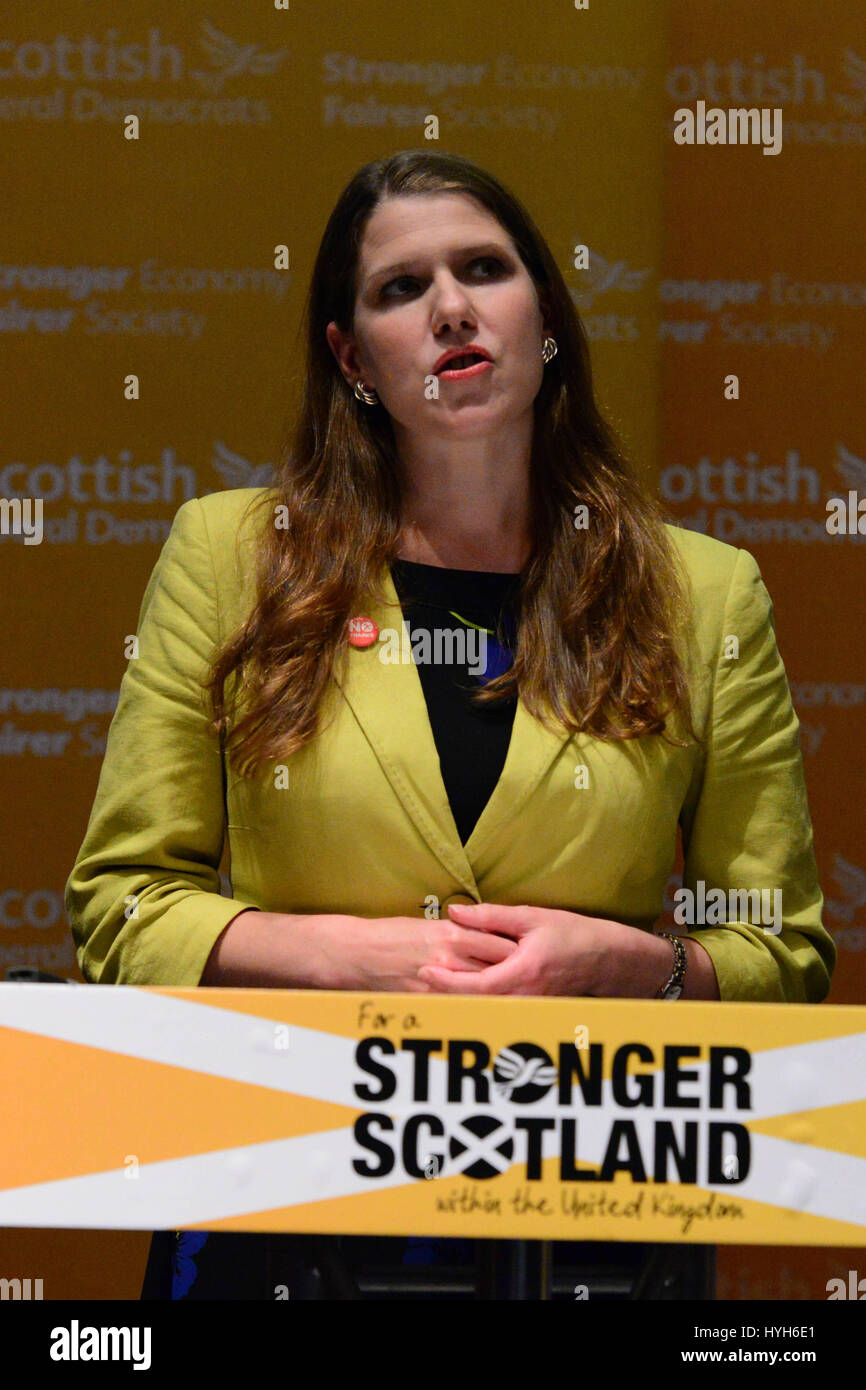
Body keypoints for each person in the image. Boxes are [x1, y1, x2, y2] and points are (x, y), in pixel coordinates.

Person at [65, 150, 835, 1300]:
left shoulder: (704, 593)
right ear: (350, 356)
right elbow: (122, 906)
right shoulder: (231, 558)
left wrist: (634, 966)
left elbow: (780, 955)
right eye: (398, 288)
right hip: (278, 1221)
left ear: (546, 317)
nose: (450, 308)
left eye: (483, 268)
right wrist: (349, 958)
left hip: (591, 1231)